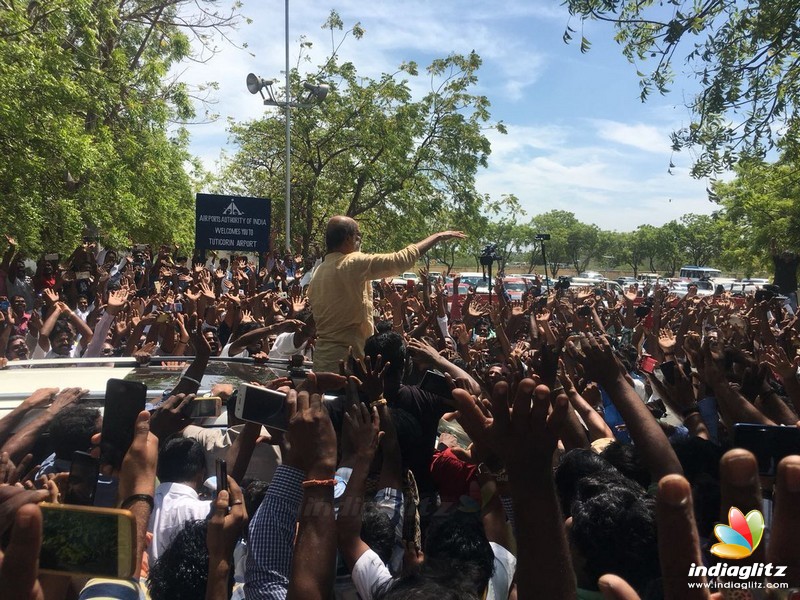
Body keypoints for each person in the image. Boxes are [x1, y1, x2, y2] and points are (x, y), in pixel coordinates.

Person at [307, 216, 465, 372]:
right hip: (347, 366)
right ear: (348, 238)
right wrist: (437, 237)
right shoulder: (351, 263)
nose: (360, 240)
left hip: (323, 362)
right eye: (358, 235)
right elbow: (399, 261)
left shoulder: (319, 272)